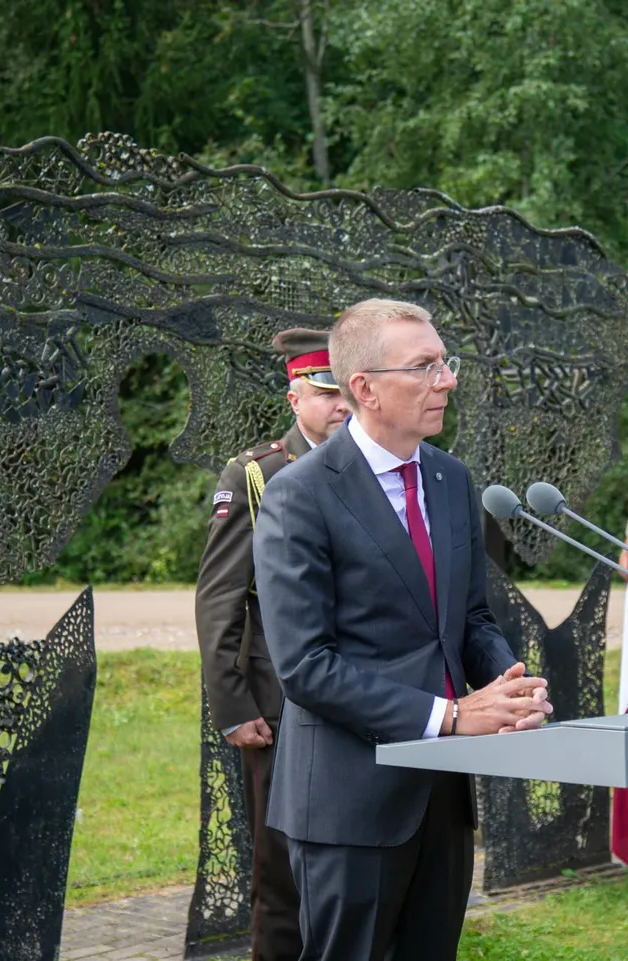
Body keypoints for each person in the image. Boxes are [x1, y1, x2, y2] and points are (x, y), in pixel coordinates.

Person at [251, 298, 553, 961]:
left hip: (441, 801)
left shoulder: (450, 479)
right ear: (365, 388)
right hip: (347, 801)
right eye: (425, 366)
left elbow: (469, 617)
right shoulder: (299, 494)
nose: (447, 379)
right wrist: (449, 715)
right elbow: (305, 664)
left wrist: (507, 682)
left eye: (445, 362)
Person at [195, 328, 349, 960]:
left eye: (349, 394)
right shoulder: (257, 473)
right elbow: (220, 596)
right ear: (295, 396)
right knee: (280, 860)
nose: (341, 406)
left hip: (358, 690)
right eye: (327, 392)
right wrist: (232, 704)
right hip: (278, 700)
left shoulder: (367, 464)